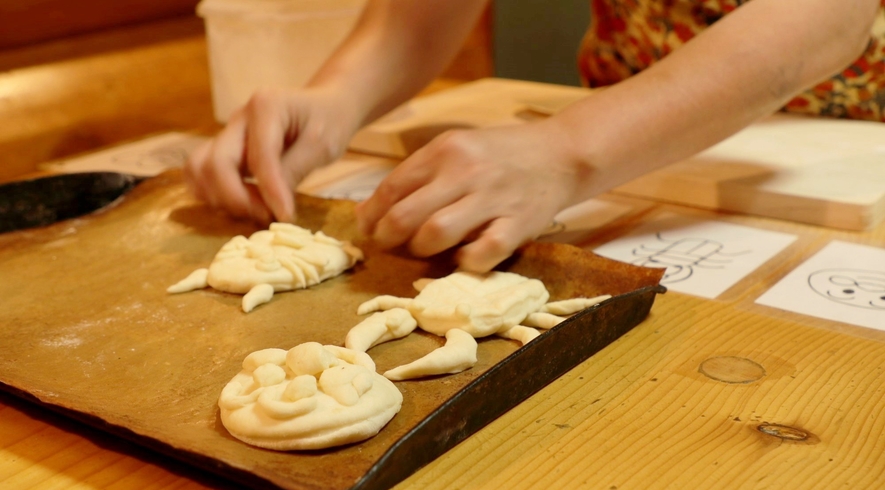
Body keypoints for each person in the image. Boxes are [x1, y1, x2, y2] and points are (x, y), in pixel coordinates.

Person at [186, 0, 882, 273]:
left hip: (857, 159)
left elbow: (823, 15)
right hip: (636, 131)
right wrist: (340, 93)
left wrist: (567, 149)